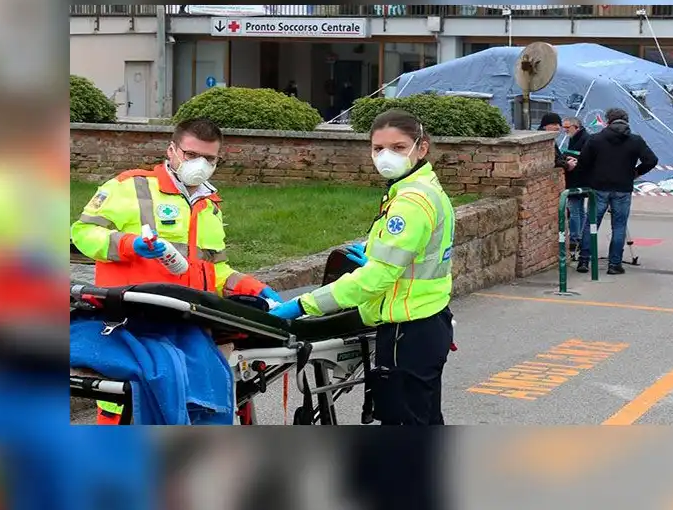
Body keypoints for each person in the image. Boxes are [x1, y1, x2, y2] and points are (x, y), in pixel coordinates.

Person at [70, 117, 283, 424]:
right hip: (133, 321)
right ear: (171, 150)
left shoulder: (209, 205)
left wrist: (253, 288)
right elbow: (82, 233)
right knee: (129, 406)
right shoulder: (130, 187)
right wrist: (131, 245)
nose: (200, 164)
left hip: (188, 323)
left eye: (209, 158)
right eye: (191, 154)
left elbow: (215, 270)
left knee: (198, 401)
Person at [268, 109, 456, 426]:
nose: (385, 156)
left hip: (405, 330)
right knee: (423, 419)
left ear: (421, 148)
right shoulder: (425, 190)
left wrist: (304, 303)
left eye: (398, 147)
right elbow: (419, 252)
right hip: (428, 320)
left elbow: (375, 279)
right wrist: (375, 252)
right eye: (378, 148)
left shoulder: (410, 201)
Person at [568, 108, 658, 274]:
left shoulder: (596, 139)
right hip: (623, 187)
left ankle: (584, 261)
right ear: (626, 120)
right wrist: (636, 172)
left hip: (599, 187)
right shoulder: (635, 140)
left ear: (607, 120)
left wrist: (590, 176)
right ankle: (614, 264)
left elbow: (583, 164)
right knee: (619, 226)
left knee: (591, 224)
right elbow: (652, 160)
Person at [560, 116, 591, 263]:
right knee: (579, 210)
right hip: (579, 179)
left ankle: (575, 238)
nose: (564, 130)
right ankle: (579, 237)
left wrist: (569, 159)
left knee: (575, 210)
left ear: (576, 127)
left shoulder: (584, 139)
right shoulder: (576, 137)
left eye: (567, 127)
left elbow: (583, 157)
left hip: (577, 179)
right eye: (563, 127)